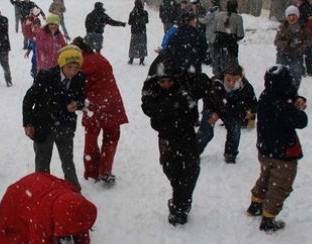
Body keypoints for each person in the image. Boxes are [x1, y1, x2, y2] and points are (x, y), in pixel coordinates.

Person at [141, 54, 208, 226]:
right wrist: (176, 102)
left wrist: (189, 92)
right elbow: (150, 109)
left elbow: (204, 83)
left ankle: (180, 206)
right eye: (162, 82)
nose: (166, 85)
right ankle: (180, 197)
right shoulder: (151, 89)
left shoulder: (183, 82)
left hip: (186, 134)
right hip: (167, 137)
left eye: (170, 82)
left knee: (191, 169)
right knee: (172, 170)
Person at [246, 65, 308, 232]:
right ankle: (268, 219)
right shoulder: (283, 107)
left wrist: (295, 99)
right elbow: (302, 121)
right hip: (283, 153)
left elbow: (285, 98)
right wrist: (297, 107)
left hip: (266, 149)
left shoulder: (266, 96)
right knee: (281, 185)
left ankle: (256, 204)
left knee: (266, 177)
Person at [22, 46, 85, 191]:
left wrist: (78, 104)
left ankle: (74, 190)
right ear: (62, 64)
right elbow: (29, 99)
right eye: (69, 67)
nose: (73, 71)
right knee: (42, 163)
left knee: (67, 161)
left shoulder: (80, 78)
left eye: (76, 68)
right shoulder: (46, 75)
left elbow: (81, 97)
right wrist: (28, 123)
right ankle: (42, 191)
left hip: (65, 126)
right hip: (43, 126)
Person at [70, 38, 128, 184]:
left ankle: (91, 172)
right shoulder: (100, 58)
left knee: (91, 138)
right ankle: (106, 170)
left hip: (92, 106)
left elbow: (74, 87)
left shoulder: (77, 65)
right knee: (111, 137)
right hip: (112, 102)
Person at [196, 64, 256, 163]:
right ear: (224, 76)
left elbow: (253, 103)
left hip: (232, 111)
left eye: (235, 80)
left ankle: (230, 154)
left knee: (235, 131)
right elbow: (207, 98)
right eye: (228, 80)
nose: (231, 84)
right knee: (206, 132)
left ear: (241, 78)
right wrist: (214, 111)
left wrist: (250, 111)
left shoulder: (246, 87)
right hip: (214, 108)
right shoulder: (215, 83)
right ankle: (195, 151)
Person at [275, 5, 312, 91]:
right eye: (289, 15)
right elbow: (277, 41)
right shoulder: (282, 27)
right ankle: (279, 94)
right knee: (279, 75)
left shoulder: (303, 28)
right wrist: (286, 44)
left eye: (294, 15)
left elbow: (308, 40)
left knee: (296, 75)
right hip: (283, 55)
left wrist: (301, 45)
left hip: (297, 56)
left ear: (297, 16)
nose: (292, 17)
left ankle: (293, 93)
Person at [211, 0, 244, 78]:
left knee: (218, 69)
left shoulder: (218, 15)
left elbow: (214, 29)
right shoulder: (238, 18)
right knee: (231, 71)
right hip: (230, 47)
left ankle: (218, 81)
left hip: (218, 45)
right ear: (236, 7)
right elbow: (240, 34)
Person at [295, 0, 312, 77]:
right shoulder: (311, 8)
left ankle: (302, 71)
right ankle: (310, 70)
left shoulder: (302, 9)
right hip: (311, 35)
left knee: (300, 52)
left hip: (305, 34)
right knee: (308, 53)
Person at [128, 0, 149, 65]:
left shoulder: (132, 13)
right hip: (142, 31)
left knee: (133, 45)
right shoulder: (145, 12)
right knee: (142, 45)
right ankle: (141, 60)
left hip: (134, 31)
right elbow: (146, 21)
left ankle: (131, 59)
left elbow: (130, 22)